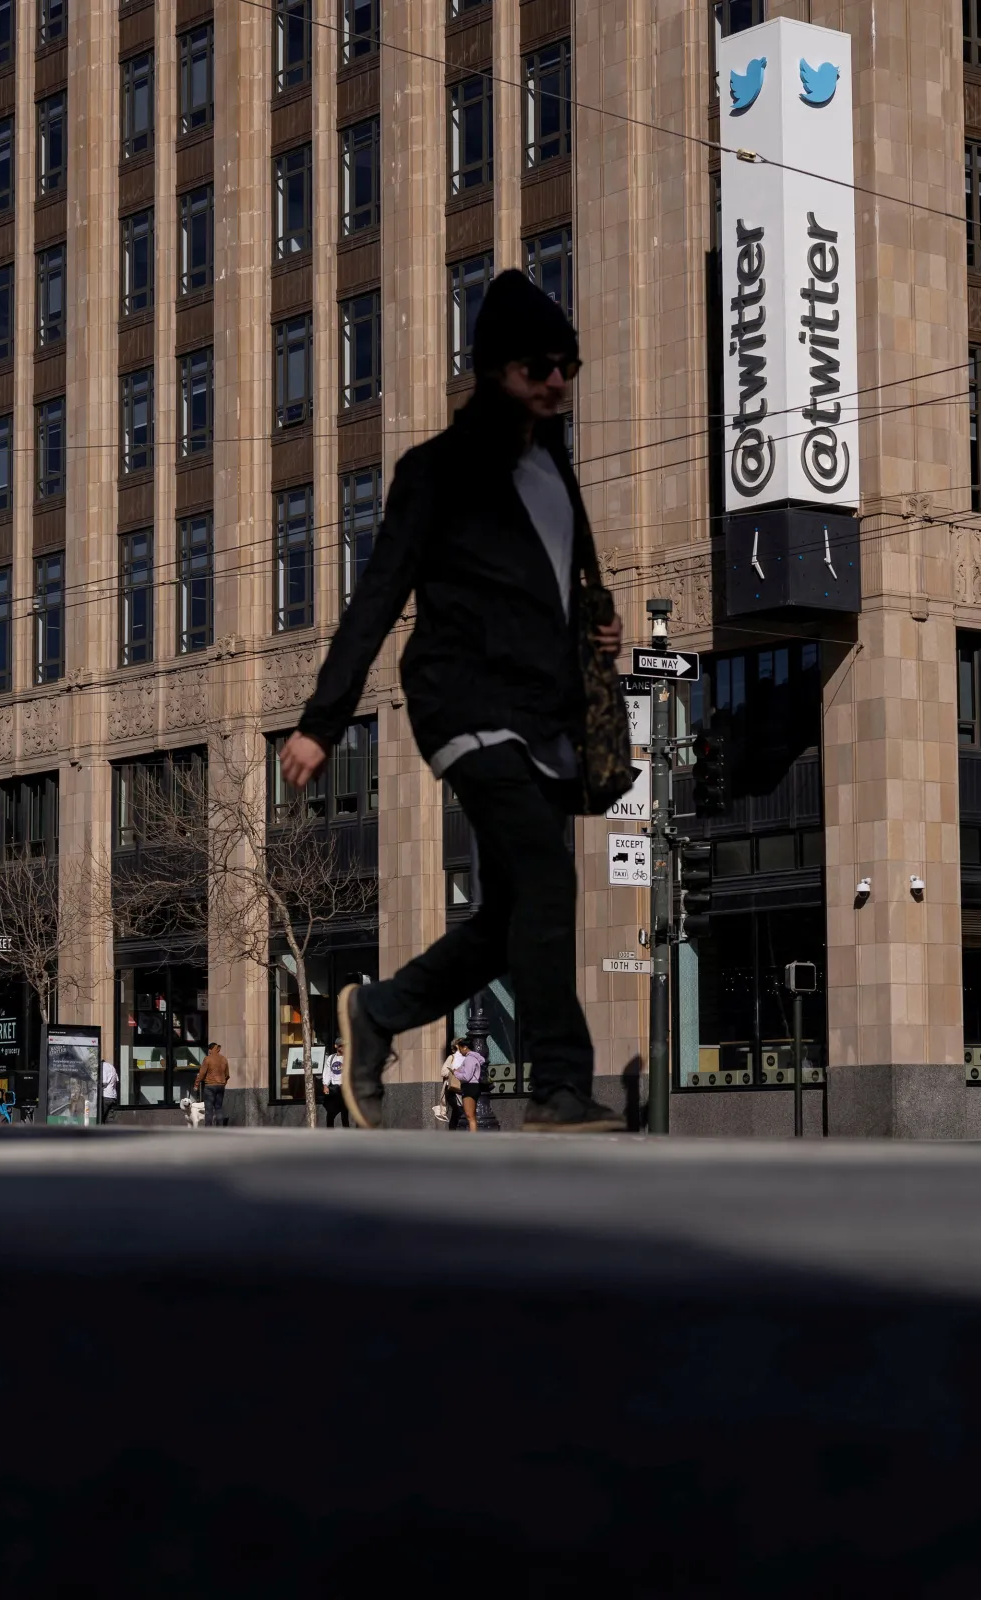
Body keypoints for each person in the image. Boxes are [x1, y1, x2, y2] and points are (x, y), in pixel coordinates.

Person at [278, 271, 624, 1135]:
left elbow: (564, 574)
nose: (557, 383)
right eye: (539, 367)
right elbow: (378, 595)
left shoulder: (557, 466)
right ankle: (560, 1085)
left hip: (544, 714)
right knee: (548, 876)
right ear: (495, 372)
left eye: (567, 366)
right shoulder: (435, 471)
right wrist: (324, 722)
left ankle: (378, 1013)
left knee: (514, 917)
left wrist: (601, 622)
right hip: (465, 702)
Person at [457, 1037, 488, 1132]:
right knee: (472, 1116)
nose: (460, 1051)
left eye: (460, 1049)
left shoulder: (469, 1059)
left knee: (469, 1116)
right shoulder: (475, 1058)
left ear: (465, 1047)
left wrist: (455, 1073)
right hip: (474, 1086)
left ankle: (473, 1139)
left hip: (469, 1087)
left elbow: (467, 1076)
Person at [195, 1043, 230, 1128]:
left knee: (209, 1109)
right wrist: (223, 1084)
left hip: (210, 1086)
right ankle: (220, 1128)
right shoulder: (224, 1059)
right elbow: (227, 1075)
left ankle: (208, 1129)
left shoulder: (207, 1059)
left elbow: (202, 1073)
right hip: (221, 1086)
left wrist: (196, 1084)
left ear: (210, 1050)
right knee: (218, 1108)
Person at [321, 1045, 348, 1129]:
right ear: (336, 1046)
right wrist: (325, 1085)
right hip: (334, 1088)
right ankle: (330, 1131)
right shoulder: (331, 1058)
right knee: (330, 1112)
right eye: (341, 1046)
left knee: (345, 1113)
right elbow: (327, 1073)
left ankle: (347, 1132)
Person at [98, 1057, 119, 1125]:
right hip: (112, 1096)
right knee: (109, 1120)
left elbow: (103, 1082)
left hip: (105, 1096)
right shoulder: (111, 1066)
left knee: (100, 1119)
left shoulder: (103, 1066)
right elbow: (117, 1080)